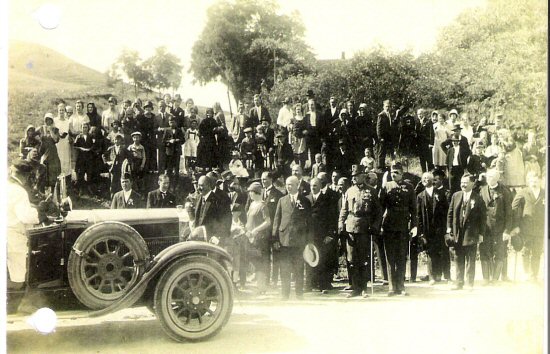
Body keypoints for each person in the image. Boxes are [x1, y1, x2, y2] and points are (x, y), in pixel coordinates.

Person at [338, 173, 382, 297]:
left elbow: (378, 211)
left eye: (357, 176)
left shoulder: (371, 191)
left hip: (365, 227)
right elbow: (344, 210)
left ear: (363, 176)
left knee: (363, 259)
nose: (354, 178)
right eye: (353, 176)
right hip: (351, 227)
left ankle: (363, 288)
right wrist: (341, 224)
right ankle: (355, 288)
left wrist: (375, 226)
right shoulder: (349, 191)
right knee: (352, 259)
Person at [379, 162, 417, 296]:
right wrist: (378, 225)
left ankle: (401, 285)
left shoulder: (409, 187)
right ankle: (391, 286)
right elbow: (380, 207)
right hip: (389, 224)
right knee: (390, 256)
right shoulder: (386, 186)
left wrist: (414, 225)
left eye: (396, 172)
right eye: (391, 172)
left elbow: (414, 209)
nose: (393, 174)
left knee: (401, 255)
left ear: (402, 173)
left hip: (402, 225)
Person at [272, 176, 312, 300]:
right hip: (284, 239)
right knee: (284, 268)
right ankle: (285, 294)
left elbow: (309, 223)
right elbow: (276, 220)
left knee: (299, 268)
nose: (289, 187)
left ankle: (299, 294)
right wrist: (275, 239)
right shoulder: (282, 200)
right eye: (287, 185)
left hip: (299, 240)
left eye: (291, 184)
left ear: (297, 185)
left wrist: (309, 241)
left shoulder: (305, 201)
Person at [446, 173, 486, 290]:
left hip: (471, 233)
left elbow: (483, 218)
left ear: (472, 184)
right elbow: (450, 213)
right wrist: (449, 230)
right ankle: (459, 282)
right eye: (462, 183)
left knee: (470, 259)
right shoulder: (456, 195)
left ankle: (469, 283)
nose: (463, 185)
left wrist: (481, 234)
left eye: (466, 183)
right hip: (457, 232)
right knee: (458, 257)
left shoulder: (477, 198)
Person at [478, 169, 513, 284]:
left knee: (500, 252)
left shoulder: (505, 192)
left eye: (492, 176)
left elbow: (509, 213)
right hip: (485, 228)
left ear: (498, 178)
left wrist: (507, 230)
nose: (490, 178)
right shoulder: (481, 190)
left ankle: (495, 279)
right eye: (488, 176)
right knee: (484, 251)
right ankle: (486, 278)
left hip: (500, 229)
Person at [305, 178, 337, 293]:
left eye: (315, 185)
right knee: (309, 258)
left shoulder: (327, 199)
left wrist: (330, 234)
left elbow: (332, 218)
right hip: (309, 235)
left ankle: (323, 284)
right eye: (311, 186)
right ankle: (309, 284)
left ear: (320, 186)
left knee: (322, 259)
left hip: (323, 235)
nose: (313, 188)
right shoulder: (306, 199)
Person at [416, 172, 449, 285]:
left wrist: (446, 229)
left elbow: (446, 211)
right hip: (427, 229)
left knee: (439, 251)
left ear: (432, 180)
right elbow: (418, 215)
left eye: (428, 178)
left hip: (439, 228)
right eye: (424, 178)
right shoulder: (420, 196)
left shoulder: (440, 194)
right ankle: (432, 277)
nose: (425, 180)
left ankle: (439, 275)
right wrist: (420, 232)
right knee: (430, 252)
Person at [512, 171, 545, 281]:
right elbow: (514, 208)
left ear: (540, 181)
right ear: (528, 181)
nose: (534, 183)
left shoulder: (545, 193)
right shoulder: (523, 192)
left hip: (540, 228)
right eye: (531, 181)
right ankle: (526, 273)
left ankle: (534, 274)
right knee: (526, 251)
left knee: (537, 252)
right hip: (526, 227)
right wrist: (516, 225)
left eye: (536, 181)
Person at [245, 182, 272, 294]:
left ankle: (262, 287)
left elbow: (268, 222)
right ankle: (259, 286)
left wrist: (256, 230)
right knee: (255, 261)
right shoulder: (252, 205)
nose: (250, 194)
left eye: (251, 192)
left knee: (261, 262)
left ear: (256, 193)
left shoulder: (263, 206)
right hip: (251, 238)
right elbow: (249, 221)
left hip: (261, 238)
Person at [193, 175, 232, 244]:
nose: (199, 188)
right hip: (199, 239)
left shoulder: (219, 200)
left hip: (212, 241)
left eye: (201, 185)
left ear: (208, 185)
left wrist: (218, 237)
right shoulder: (199, 198)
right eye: (198, 185)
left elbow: (227, 220)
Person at [442, 124, 472, 195]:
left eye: (458, 130)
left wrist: (464, 157)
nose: (457, 132)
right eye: (455, 131)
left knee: (460, 183)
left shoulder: (464, 139)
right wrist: (449, 153)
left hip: (460, 165)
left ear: (460, 131)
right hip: (452, 167)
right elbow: (442, 145)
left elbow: (468, 151)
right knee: (452, 185)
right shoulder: (451, 138)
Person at [36, 113, 61, 194]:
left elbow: (56, 140)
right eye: (47, 119)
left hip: (52, 152)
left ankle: (53, 193)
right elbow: (32, 134)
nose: (48, 121)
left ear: (52, 120)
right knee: (42, 171)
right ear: (45, 120)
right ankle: (42, 193)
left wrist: (50, 130)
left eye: (50, 120)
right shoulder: (40, 128)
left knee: (52, 172)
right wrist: (37, 142)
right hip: (43, 151)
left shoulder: (55, 129)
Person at [375, 100, 397, 169]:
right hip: (383, 137)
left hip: (390, 137)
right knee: (382, 152)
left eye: (389, 106)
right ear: (383, 107)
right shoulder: (381, 115)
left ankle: (393, 166)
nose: (387, 108)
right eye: (386, 106)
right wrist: (380, 137)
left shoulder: (390, 115)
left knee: (392, 152)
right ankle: (380, 167)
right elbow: (378, 127)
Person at [73, 122, 94, 194]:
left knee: (89, 173)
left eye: (86, 127)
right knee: (81, 174)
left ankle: (89, 188)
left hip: (89, 158)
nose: (84, 129)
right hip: (81, 158)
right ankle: (81, 189)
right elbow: (74, 146)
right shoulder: (78, 137)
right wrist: (81, 148)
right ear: (81, 128)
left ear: (88, 128)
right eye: (83, 127)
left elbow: (94, 145)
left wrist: (90, 149)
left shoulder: (91, 136)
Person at [54, 102, 73, 182]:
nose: (61, 112)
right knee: (59, 160)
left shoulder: (67, 121)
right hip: (57, 144)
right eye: (60, 110)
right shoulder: (54, 120)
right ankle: (58, 180)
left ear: (65, 111)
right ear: (58, 111)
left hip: (65, 144)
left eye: (63, 110)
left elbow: (69, 132)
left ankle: (66, 182)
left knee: (66, 161)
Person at [289, 104, 309, 169]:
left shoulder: (304, 118)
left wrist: (305, 131)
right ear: (295, 110)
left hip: (302, 138)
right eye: (297, 109)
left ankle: (302, 167)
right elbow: (290, 130)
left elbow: (307, 128)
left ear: (301, 110)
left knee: (302, 153)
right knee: (296, 153)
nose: (298, 111)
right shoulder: (292, 119)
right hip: (295, 138)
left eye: (299, 109)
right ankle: (297, 166)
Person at [154, 100, 171, 173]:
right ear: (158, 107)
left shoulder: (170, 116)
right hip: (160, 140)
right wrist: (158, 129)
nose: (162, 108)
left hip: (168, 140)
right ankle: (160, 173)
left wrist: (165, 129)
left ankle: (168, 173)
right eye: (160, 106)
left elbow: (172, 127)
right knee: (160, 158)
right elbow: (154, 129)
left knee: (168, 157)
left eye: (163, 106)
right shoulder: (156, 117)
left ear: (166, 107)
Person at [416, 108, 435, 172]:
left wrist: (431, 143)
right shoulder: (417, 122)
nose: (419, 115)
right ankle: (423, 173)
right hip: (419, 145)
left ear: (423, 114)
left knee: (429, 160)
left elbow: (431, 133)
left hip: (427, 144)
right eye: (418, 114)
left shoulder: (428, 121)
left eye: (421, 114)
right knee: (422, 160)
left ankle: (430, 174)